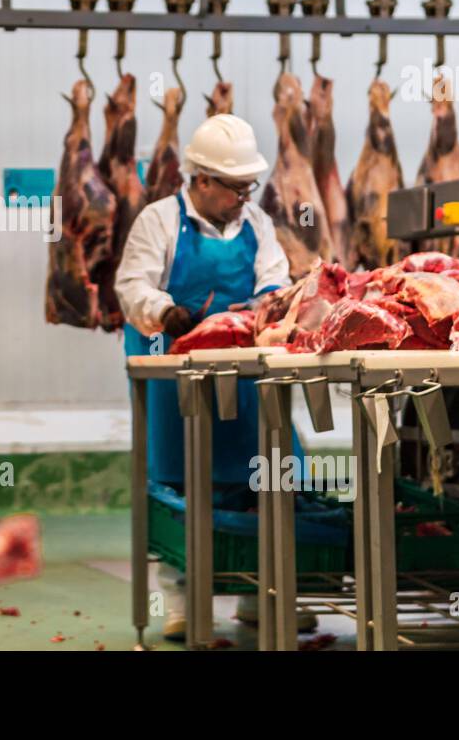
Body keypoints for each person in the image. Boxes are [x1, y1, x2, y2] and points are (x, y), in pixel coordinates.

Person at [116, 112, 304, 641]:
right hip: (175, 379)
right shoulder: (159, 220)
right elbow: (132, 287)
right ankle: (180, 600)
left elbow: (273, 279)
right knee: (180, 485)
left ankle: (256, 593)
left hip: (246, 377)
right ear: (200, 180)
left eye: (250, 186)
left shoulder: (257, 224)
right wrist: (166, 312)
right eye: (236, 187)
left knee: (262, 480)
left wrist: (275, 306)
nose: (245, 196)